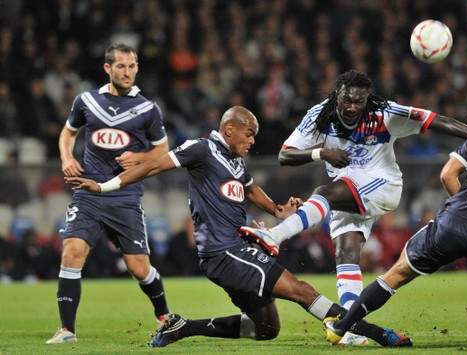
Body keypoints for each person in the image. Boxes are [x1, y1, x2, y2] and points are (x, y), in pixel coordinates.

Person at [65, 106, 412, 348]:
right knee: (302, 291)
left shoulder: (234, 161)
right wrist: (106, 186)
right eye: (249, 134)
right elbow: (155, 166)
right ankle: (378, 334)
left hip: (232, 251)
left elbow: (250, 189)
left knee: (267, 329)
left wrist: (278, 209)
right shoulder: (202, 149)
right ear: (229, 129)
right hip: (224, 250)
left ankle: (183, 328)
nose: (252, 141)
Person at [240, 70, 467, 344]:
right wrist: (321, 153)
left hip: (383, 184)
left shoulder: (385, 112)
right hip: (348, 190)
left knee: (323, 193)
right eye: (347, 100)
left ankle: (275, 235)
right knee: (346, 254)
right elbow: (285, 155)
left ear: (368, 99)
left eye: (359, 102)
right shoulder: (320, 114)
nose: (352, 107)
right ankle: (350, 329)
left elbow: (439, 121)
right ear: (336, 95)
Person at [323, 83, 467, 350]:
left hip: (451, 223)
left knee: (398, 272)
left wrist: (464, 207)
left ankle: (341, 328)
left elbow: (447, 174)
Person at [46, 43, 171, 344]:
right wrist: (67, 157)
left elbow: (163, 151)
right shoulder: (86, 101)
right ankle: (67, 331)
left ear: (137, 67)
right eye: (121, 66)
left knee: (138, 268)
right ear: (108, 68)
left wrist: (140, 159)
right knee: (72, 252)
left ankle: (165, 315)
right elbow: (68, 132)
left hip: (125, 196)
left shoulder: (147, 109)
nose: (127, 72)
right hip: (88, 192)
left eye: (132, 66)